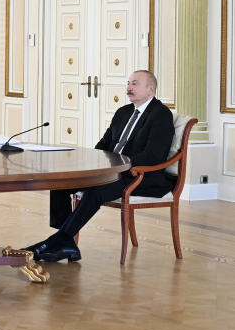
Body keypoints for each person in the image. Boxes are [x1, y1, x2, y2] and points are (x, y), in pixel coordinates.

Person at [25, 70, 175, 263]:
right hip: (114, 171)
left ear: (151, 89)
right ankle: (65, 240)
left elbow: (153, 155)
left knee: (95, 191)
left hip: (140, 176)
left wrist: (117, 166)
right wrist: (92, 163)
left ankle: (57, 242)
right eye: (128, 83)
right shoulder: (123, 112)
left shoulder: (161, 115)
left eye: (135, 84)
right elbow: (104, 144)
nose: (129, 88)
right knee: (61, 183)